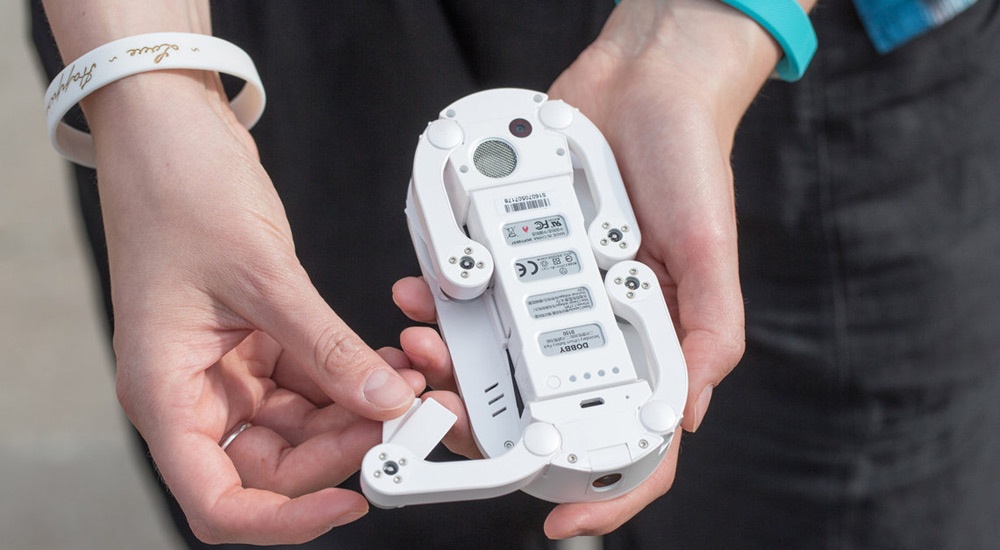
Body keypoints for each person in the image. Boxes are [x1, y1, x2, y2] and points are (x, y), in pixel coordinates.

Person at [30, 1, 999, 549]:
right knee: (315, 461)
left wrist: (706, 26)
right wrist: (150, 91)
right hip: (237, 33)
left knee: (827, 506)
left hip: (788, 33)